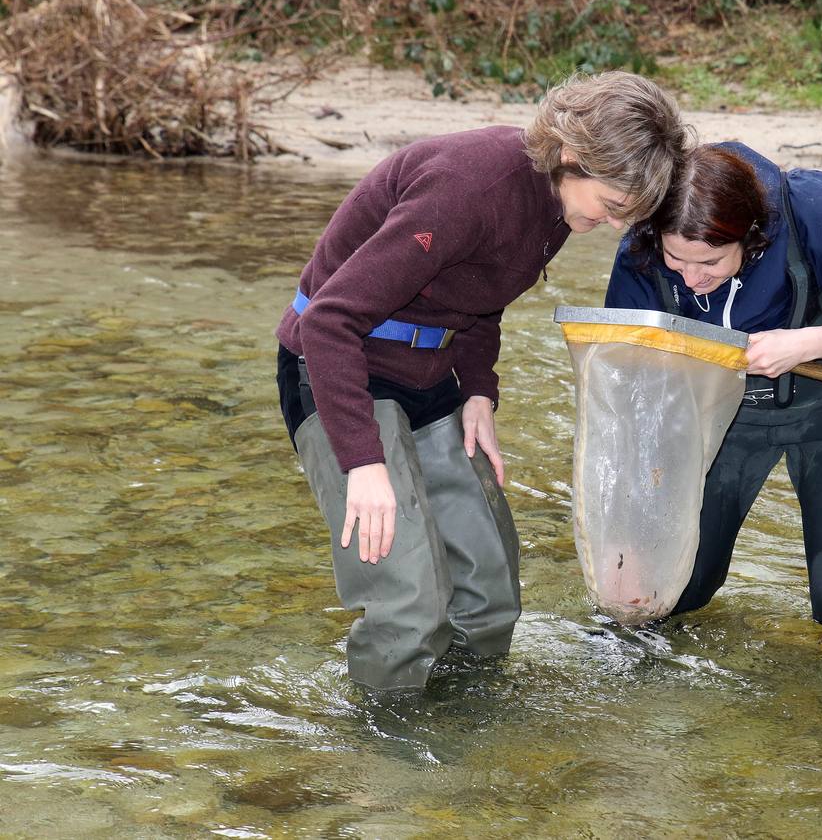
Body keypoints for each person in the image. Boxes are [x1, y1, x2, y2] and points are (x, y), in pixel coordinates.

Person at [275, 71, 689, 691]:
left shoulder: (561, 205)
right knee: (409, 604)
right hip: (339, 368)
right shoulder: (467, 190)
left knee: (490, 592)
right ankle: (387, 737)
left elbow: (482, 295)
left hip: (429, 372)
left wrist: (477, 392)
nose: (611, 224)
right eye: (612, 205)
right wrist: (363, 462)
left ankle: (464, 719)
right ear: (570, 155)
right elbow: (329, 321)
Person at [604, 142, 822, 657]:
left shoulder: (817, 214)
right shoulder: (642, 245)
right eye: (676, 260)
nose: (691, 279)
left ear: (752, 235)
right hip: (717, 413)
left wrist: (806, 344)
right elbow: (631, 375)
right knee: (674, 585)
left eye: (711, 262)